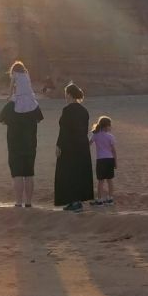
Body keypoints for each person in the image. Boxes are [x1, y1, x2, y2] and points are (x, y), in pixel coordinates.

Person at [3, 61, 42, 207]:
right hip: (30, 145)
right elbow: (39, 119)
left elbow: (1, 119)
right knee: (29, 174)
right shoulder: (33, 105)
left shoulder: (11, 105)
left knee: (17, 175)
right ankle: (29, 203)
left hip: (14, 145)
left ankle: (18, 203)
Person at [54, 83, 95, 211]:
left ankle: (74, 201)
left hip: (70, 146)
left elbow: (64, 131)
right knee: (80, 173)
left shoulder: (67, 110)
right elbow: (85, 130)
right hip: (82, 145)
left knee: (68, 173)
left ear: (70, 94)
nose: (65, 96)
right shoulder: (84, 110)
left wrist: (59, 145)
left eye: (66, 93)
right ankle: (75, 201)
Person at [90, 115, 117, 206]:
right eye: (110, 125)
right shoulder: (110, 137)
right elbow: (113, 151)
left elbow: (88, 144)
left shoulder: (95, 135)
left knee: (100, 181)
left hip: (100, 160)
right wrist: (115, 162)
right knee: (110, 180)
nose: (110, 127)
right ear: (106, 126)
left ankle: (100, 199)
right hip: (109, 160)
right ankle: (110, 198)